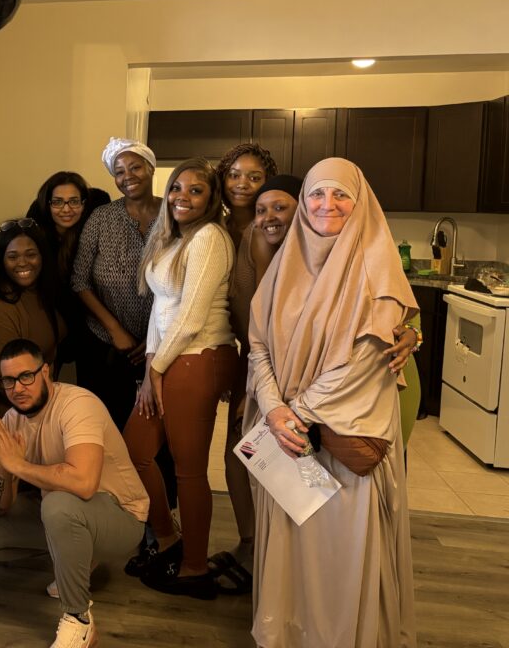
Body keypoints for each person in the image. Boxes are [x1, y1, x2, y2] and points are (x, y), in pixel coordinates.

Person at [245, 157, 418, 648]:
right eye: (317, 194)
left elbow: (367, 356)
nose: (327, 205)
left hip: (340, 434)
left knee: (339, 549)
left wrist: (293, 413)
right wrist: (274, 407)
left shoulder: (375, 265)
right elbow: (258, 342)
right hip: (290, 434)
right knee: (290, 544)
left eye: (340, 194)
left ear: (360, 201)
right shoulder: (284, 264)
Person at [0, 339, 149, 648]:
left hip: (121, 517)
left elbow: (85, 482)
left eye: (26, 376)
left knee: (59, 504)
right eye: (9, 380)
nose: (18, 387)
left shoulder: (77, 404)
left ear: (46, 372)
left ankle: (79, 619)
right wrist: (6, 471)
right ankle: (75, 558)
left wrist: (17, 464)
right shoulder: (11, 420)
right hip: (67, 514)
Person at [122, 158, 238, 600]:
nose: (182, 198)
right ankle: (168, 537)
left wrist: (156, 368)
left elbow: (190, 318)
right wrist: (152, 363)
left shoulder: (210, 238)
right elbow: (161, 310)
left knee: (189, 471)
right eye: (177, 189)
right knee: (135, 451)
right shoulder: (172, 239)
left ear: (211, 201)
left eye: (195, 192)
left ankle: (194, 567)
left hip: (199, 355)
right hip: (168, 359)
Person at [207, 143, 276, 592]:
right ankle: (250, 540)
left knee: (260, 446)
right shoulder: (216, 224)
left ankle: (272, 548)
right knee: (237, 446)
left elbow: (270, 305)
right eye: (235, 174)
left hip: (265, 353)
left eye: (253, 176)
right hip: (231, 349)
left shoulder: (268, 227)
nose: (242, 184)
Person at [71, 138, 161, 430]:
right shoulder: (101, 218)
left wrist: (156, 338)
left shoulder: (174, 214)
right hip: (106, 345)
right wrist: (115, 330)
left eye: (135, 167)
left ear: (151, 169)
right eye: (119, 171)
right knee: (106, 426)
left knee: (154, 431)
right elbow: (79, 280)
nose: (127, 176)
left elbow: (187, 285)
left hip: (163, 344)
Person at [0, 219, 64, 444]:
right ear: (1, 260)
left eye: (31, 254)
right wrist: (46, 417)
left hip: (41, 403)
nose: (22, 263)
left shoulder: (42, 294)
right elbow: (3, 382)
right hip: (12, 412)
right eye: (12, 256)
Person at [26, 172, 110, 369]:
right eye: (58, 202)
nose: (66, 209)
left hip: (89, 322)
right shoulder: (37, 237)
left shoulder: (92, 236)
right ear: (47, 205)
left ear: (84, 204)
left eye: (74, 201)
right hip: (48, 319)